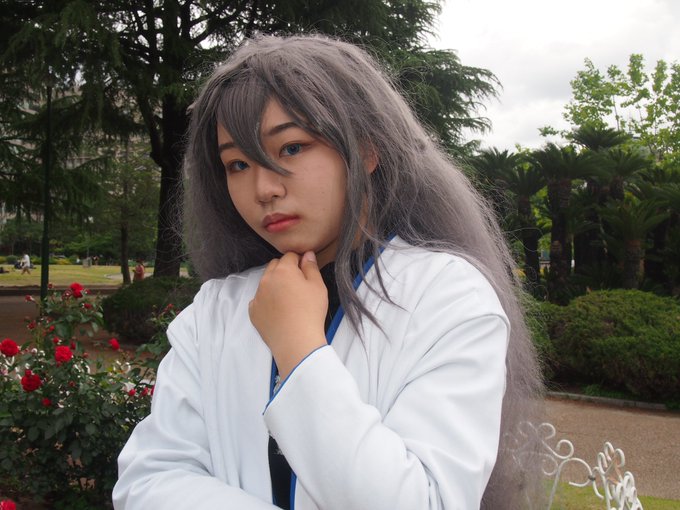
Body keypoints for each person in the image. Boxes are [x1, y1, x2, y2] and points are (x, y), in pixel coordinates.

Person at [113, 35, 544, 510]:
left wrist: (298, 349)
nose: (263, 188)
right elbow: (150, 479)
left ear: (366, 149)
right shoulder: (215, 309)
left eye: (292, 147)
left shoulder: (449, 297)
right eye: (237, 163)